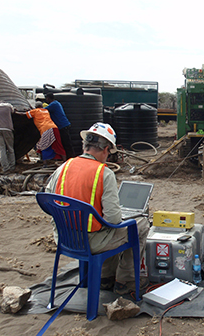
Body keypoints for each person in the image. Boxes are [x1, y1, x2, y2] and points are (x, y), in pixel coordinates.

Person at [45, 122, 149, 298]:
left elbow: (48, 200)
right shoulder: (104, 173)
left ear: (85, 145)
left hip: (64, 238)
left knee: (106, 227)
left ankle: (104, 277)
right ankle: (127, 281)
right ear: (106, 149)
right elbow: (114, 220)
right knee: (140, 224)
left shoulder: (63, 166)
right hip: (91, 242)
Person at [44, 93, 75, 159]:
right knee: (66, 143)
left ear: (48, 98)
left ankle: (70, 158)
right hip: (64, 125)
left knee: (66, 143)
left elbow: (43, 110)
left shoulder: (53, 105)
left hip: (62, 126)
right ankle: (68, 157)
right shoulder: (57, 103)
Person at [0, 102, 15, 173]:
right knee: (10, 148)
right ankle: (12, 166)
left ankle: (5, 168)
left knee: (2, 149)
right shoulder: (9, 106)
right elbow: (13, 111)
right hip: (7, 129)